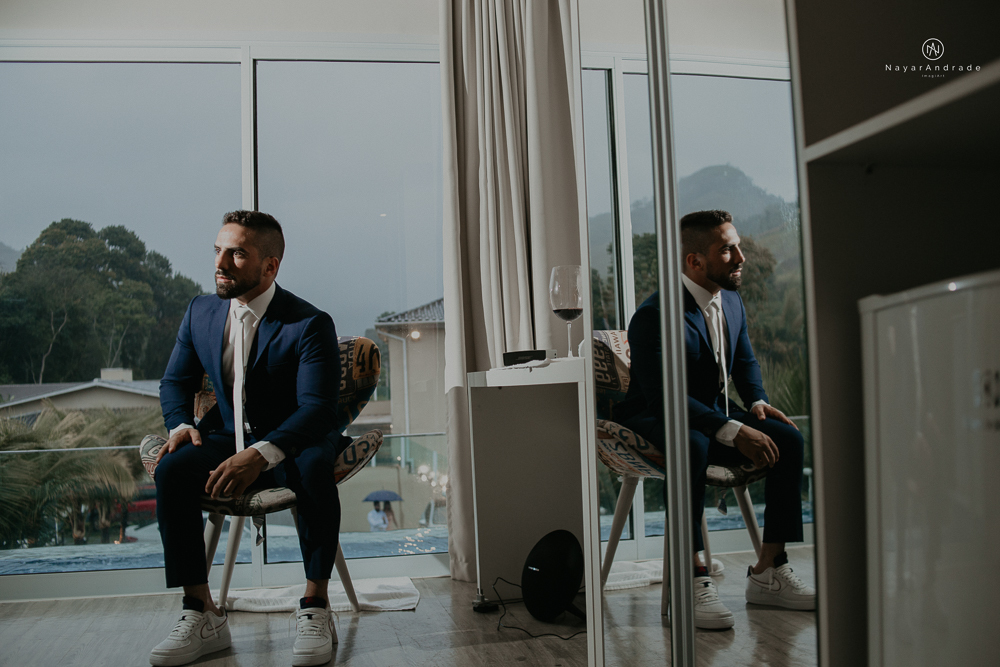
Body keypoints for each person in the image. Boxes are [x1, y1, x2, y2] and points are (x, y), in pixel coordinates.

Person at [151, 210, 350, 666]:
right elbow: (174, 382)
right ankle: (202, 611)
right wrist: (181, 425)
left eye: (237, 253)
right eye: (218, 250)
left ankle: (316, 605)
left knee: (316, 466)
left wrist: (260, 455)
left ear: (270, 267)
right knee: (173, 469)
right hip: (226, 433)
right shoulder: (200, 311)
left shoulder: (309, 323)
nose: (221, 262)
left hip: (296, 436)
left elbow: (317, 408)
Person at [613, 209, 815, 630]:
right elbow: (662, 396)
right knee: (693, 444)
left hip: (713, 414)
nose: (741, 257)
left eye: (737, 245)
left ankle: (768, 570)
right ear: (694, 261)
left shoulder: (733, 301)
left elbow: (746, 363)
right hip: (654, 417)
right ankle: (692, 575)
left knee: (788, 438)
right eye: (727, 249)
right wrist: (731, 429)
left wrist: (757, 403)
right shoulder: (653, 316)